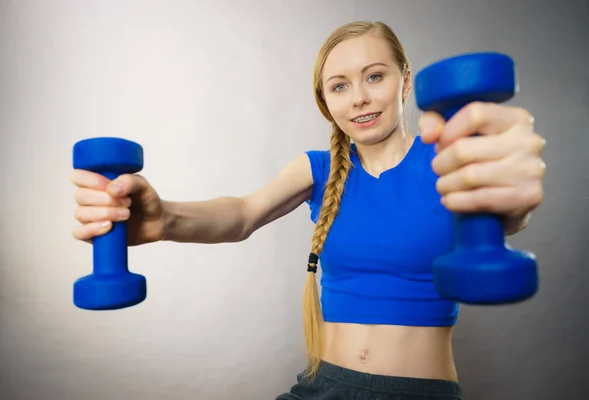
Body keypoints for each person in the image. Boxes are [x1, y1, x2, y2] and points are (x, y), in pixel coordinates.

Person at [70, 21, 546, 399]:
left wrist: (511, 193)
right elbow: (241, 214)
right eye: (339, 86)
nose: (358, 96)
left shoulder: (448, 160)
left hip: (420, 392)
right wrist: (163, 219)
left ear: (405, 81)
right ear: (326, 103)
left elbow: (502, 209)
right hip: (322, 388)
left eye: (374, 76)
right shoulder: (319, 170)